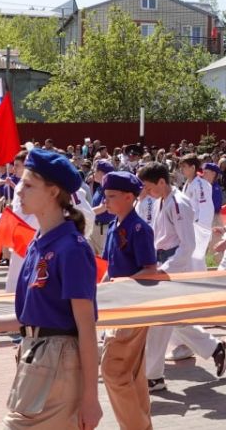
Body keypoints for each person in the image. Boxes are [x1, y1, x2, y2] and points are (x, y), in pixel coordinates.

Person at [0, 149, 103, 429]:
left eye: (29, 184)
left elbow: (85, 326)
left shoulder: (71, 248)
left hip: (58, 361)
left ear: (53, 191)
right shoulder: (38, 243)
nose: (19, 190)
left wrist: (90, 398)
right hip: (35, 354)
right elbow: (33, 316)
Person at [137, 161, 226, 393]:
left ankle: (153, 376)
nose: (147, 192)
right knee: (169, 319)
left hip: (174, 266)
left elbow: (187, 245)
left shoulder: (178, 204)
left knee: (159, 321)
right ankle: (214, 347)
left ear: (161, 181)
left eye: (149, 187)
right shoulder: (163, 200)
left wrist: (165, 269)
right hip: (164, 262)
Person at [98, 171, 158, 430]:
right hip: (119, 306)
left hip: (135, 306)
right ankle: (142, 423)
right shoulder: (114, 227)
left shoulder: (139, 229)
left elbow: (151, 270)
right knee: (132, 373)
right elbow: (111, 267)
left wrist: (123, 285)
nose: (106, 200)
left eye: (111, 196)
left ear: (129, 197)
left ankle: (137, 427)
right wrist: (101, 290)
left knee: (112, 369)